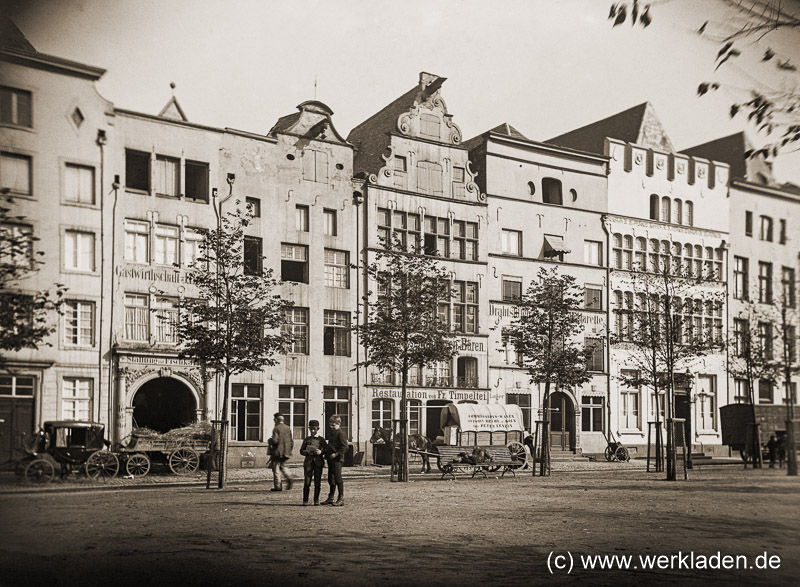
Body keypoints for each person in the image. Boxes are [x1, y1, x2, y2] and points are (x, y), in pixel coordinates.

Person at [321, 415, 348, 507]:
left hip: (337, 459)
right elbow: (330, 446)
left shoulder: (341, 433)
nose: (332, 427)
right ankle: (331, 497)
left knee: (338, 478)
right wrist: (324, 453)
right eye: (330, 425)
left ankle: (341, 498)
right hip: (330, 459)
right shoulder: (332, 433)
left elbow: (345, 447)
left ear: (338, 424)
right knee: (331, 478)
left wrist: (336, 454)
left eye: (334, 425)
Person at [300, 420, 327, 506]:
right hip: (308, 462)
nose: (312, 431)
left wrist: (321, 452)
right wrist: (306, 452)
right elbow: (301, 450)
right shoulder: (307, 439)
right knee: (307, 482)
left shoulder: (321, 439)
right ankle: (305, 500)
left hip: (318, 462)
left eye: (314, 429)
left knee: (317, 482)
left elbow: (326, 449)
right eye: (311, 429)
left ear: (318, 429)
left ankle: (316, 500)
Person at [268, 413, 294, 491]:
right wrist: (289, 450)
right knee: (283, 467)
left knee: (276, 469)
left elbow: (275, 441)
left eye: (274, 419)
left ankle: (278, 486)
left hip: (277, 452)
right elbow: (291, 441)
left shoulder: (276, 428)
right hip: (286, 452)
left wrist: (270, 441)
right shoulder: (287, 428)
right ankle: (289, 477)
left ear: (276, 420)